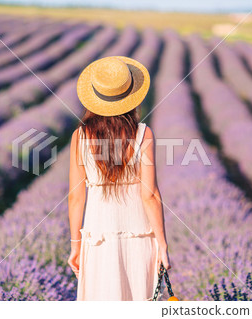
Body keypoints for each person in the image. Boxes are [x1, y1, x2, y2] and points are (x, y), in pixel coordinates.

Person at [68, 56, 171, 301]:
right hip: (139, 236)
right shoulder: (143, 134)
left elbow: (75, 197)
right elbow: (150, 195)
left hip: (98, 238)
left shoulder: (80, 136)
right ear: (130, 97)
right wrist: (162, 244)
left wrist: (75, 245)